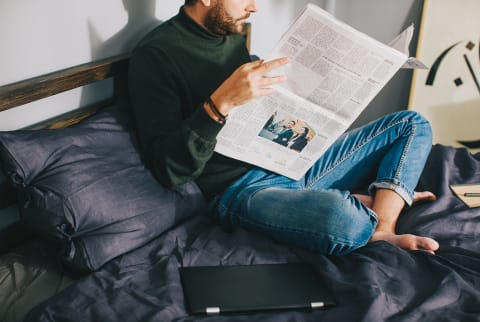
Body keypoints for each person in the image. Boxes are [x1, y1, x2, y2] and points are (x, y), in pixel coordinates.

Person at [128, 0, 439, 256]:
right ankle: (377, 197)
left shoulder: (230, 30)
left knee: (411, 124)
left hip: (289, 159)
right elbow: (169, 169)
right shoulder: (156, 55)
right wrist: (219, 103)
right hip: (241, 189)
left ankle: (383, 227)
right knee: (343, 221)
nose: (255, 7)